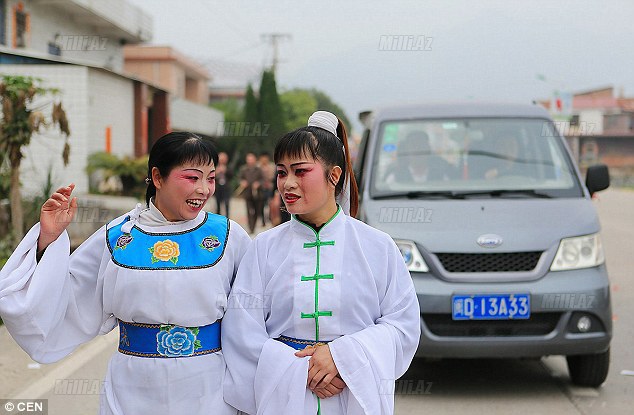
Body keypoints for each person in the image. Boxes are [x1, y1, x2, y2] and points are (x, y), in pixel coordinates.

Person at [0, 132, 251, 415]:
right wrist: (48, 237)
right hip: (132, 389)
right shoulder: (118, 237)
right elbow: (65, 293)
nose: (204, 189)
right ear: (157, 177)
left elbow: (255, 315)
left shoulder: (228, 236)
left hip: (208, 389)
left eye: (211, 178)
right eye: (192, 178)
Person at [222, 111, 421, 414]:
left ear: (334, 175)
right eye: (281, 172)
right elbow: (241, 332)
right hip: (285, 399)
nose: (287, 183)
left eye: (300, 171)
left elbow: (403, 326)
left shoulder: (378, 247)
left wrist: (343, 358)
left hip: (352, 394)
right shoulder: (263, 249)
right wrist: (301, 370)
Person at [383, 131, 457, 185]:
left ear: (428, 150)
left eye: (421, 147)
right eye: (414, 146)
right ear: (407, 151)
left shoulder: (442, 175)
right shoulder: (395, 177)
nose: (418, 151)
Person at [239, 152, 264, 234]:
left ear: (254, 160)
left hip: (257, 194)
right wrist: (242, 182)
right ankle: (251, 228)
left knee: (257, 211)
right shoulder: (244, 169)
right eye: (248, 159)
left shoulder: (259, 169)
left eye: (251, 159)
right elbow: (240, 178)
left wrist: (258, 183)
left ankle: (254, 225)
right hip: (247, 193)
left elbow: (263, 180)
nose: (250, 161)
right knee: (249, 211)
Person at [258, 152, 276, 226]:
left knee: (270, 204)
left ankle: (270, 218)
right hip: (261, 188)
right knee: (261, 205)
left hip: (270, 188)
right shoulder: (258, 166)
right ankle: (263, 220)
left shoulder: (272, 166)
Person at [214, 151, 232, 217]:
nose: (222, 160)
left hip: (226, 188)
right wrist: (217, 172)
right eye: (221, 159)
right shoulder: (215, 166)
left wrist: (226, 170)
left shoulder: (229, 167)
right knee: (218, 204)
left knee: (226, 203)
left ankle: (227, 217)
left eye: (223, 159)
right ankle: (218, 216)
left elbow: (231, 176)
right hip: (218, 187)